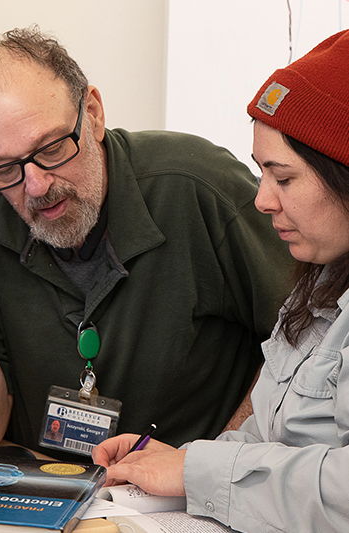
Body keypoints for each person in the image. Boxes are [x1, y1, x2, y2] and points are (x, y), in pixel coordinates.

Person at [0, 27, 292, 457]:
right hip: (50, 492)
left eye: (52, 148)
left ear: (92, 114)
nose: (34, 186)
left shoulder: (196, 186)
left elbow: (311, 338)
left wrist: (213, 462)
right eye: (3, 169)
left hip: (186, 504)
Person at [92, 29, 349, 533]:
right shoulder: (317, 284)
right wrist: (169, 466)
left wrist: (195, 470)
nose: (262, 200)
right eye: (261, 174)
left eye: (286, 178)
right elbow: (271, 441)